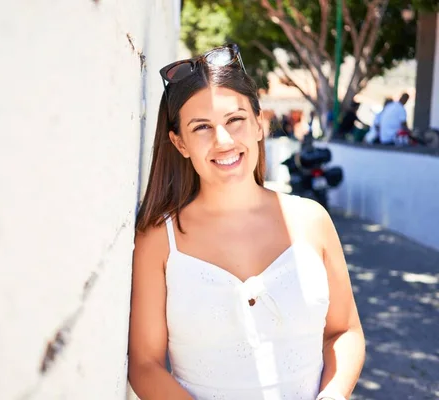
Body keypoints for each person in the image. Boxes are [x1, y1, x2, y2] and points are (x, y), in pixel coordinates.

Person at [128, 44, 365, 400]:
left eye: (235, 120)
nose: (223, 141)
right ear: (180, 143)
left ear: (258, 123)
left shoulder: (312, 220)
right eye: (201, 127)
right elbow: (144, 364)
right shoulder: (160, 239)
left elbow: (345, 331)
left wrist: (333, 395)